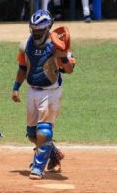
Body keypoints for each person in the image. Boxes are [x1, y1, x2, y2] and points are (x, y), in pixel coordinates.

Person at [11, 9, 75, 180]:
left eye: (40, 30)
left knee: (44, 131)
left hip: (51, 92)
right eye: (34, 30)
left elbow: (69, 69)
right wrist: (16, 87)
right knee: (32, 134)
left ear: (48, 29)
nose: (36, 33)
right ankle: (54, 154)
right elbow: (23, 68)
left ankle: (38, 167)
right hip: (32, 91)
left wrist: (62, 56)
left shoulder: (58, 45)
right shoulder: (25, 45)